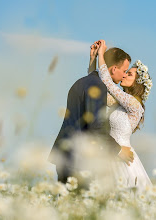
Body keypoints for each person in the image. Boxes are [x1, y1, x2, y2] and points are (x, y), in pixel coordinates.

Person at [47, 43, 135, 189]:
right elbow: (96, 126)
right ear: (114, 69)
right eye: (124, 70)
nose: (125, 74)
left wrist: (93, 60)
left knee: (65, 206)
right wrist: (118, 150)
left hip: (64, 155)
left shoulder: (82, 82)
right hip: (79, 159)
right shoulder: (97, 86)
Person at [89, 40, 156, 199]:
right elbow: (95, 91)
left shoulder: (134, 105)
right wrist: (92, 61)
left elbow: (108, 84)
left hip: (123, 160)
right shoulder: (118, 102)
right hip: (110, 154)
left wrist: (102, 56)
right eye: (126, 71)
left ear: (138, 83)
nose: (125, 74)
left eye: (130, 73)